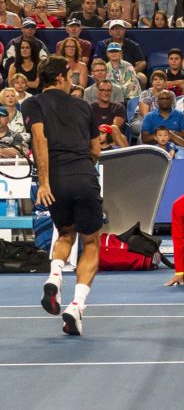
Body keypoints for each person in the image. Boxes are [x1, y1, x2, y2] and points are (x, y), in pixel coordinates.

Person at [28, 57, 101, 336]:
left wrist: (45, 182)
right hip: (84, 175)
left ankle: (55, 275)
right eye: (70, 76)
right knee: (91, 242)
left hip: (57, 181)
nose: (73, 80)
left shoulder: (32, 104)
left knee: (65, 233)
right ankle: (77, 306)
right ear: (59, 78)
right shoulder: (84, 106)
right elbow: (95, 151)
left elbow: (40, 139)